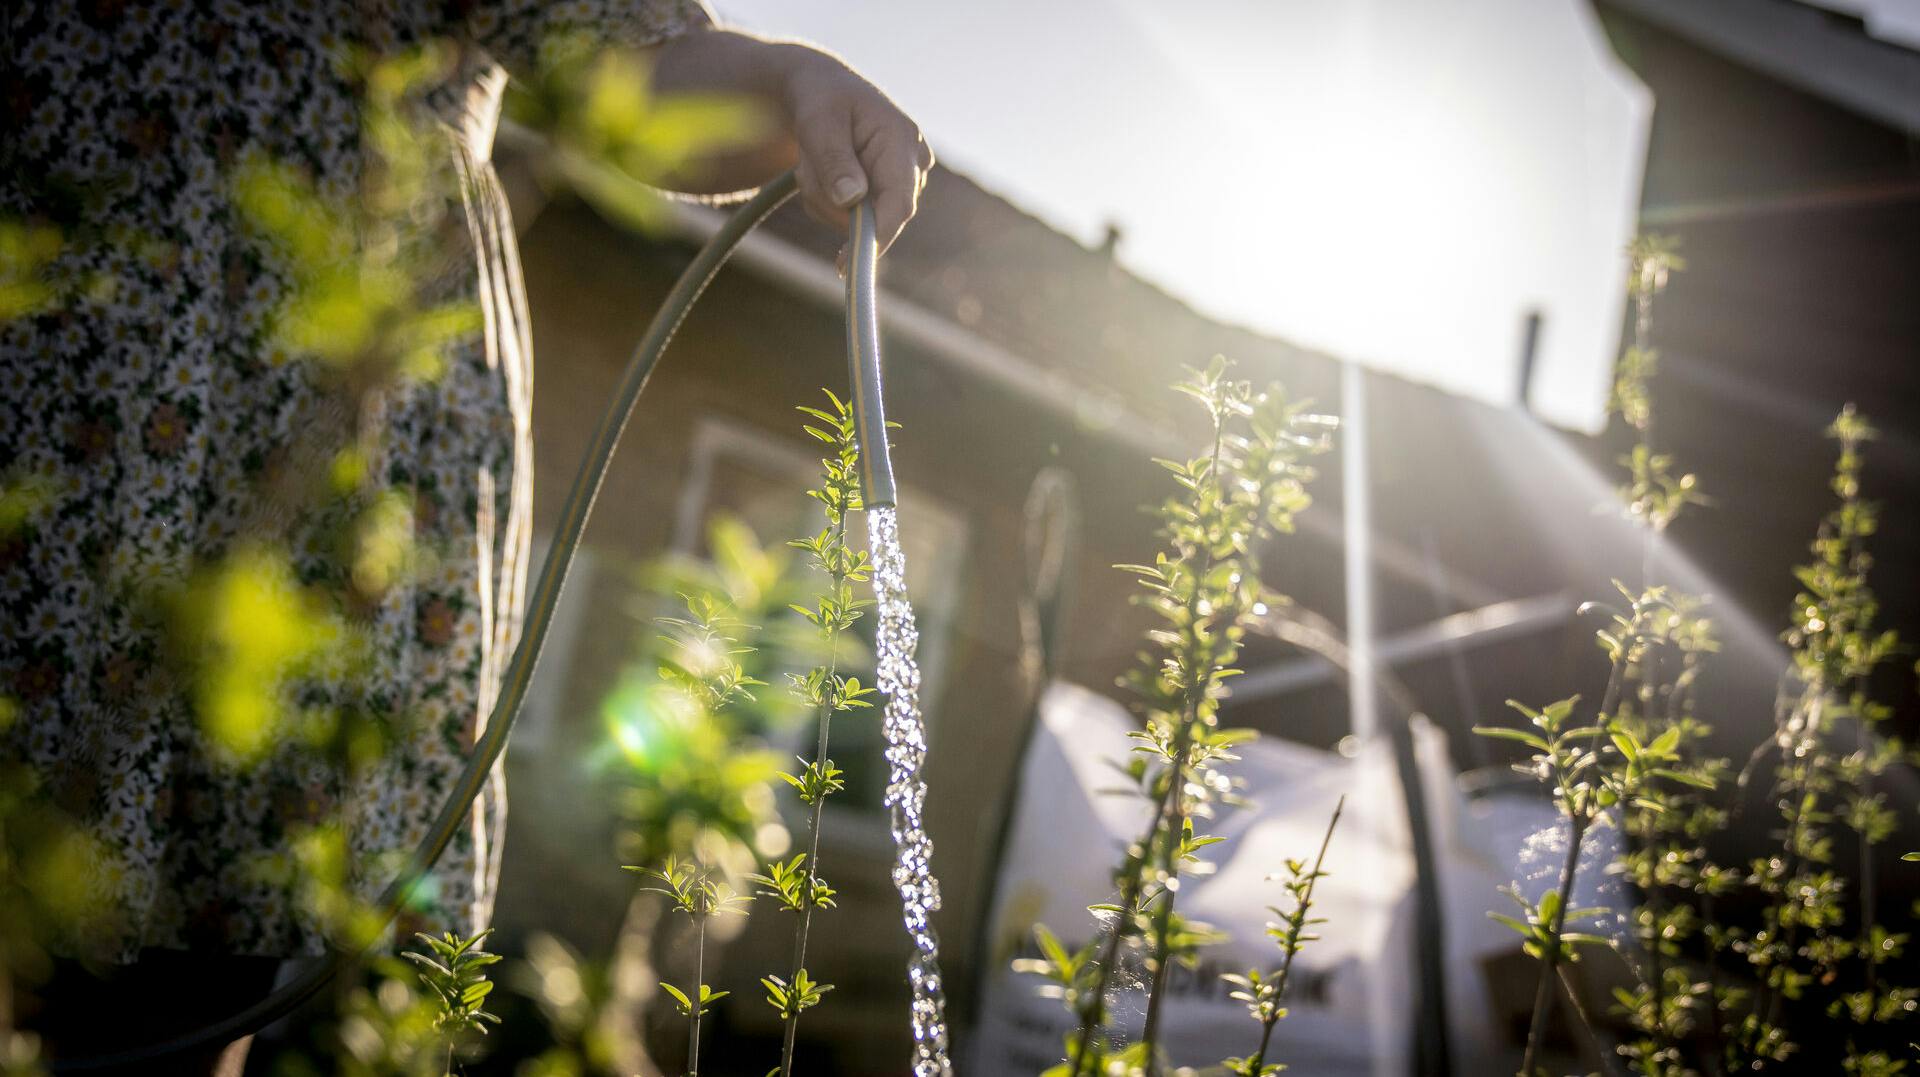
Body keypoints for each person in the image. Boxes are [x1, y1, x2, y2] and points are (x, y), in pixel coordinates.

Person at [0, 2, 931, 1073]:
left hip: (337, 380)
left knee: (192, 953)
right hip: (52, 335)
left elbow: (621, 58)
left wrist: (787, 84)